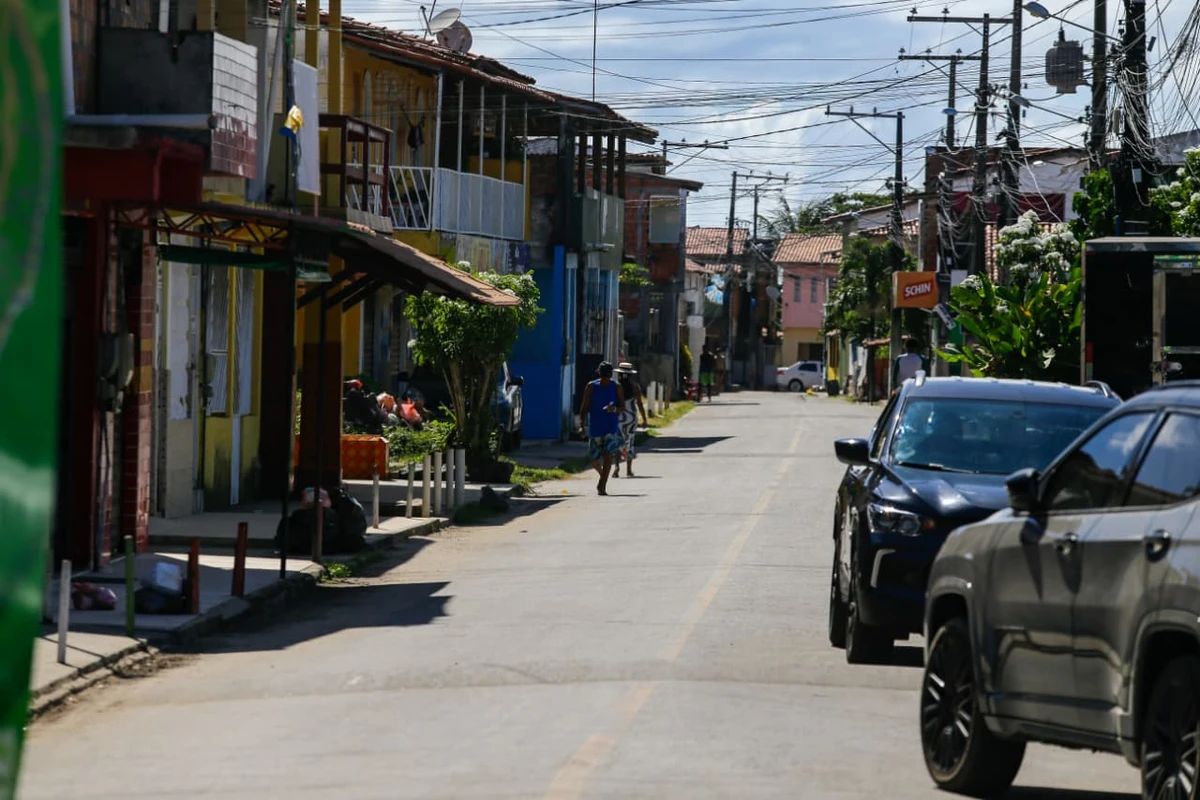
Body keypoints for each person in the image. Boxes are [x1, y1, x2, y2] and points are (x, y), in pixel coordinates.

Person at [578, 362, 625, 495]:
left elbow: (622, 407)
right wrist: (581, 425)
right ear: (599, 374)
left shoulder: (616, 387)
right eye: (604, 376)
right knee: (594, 459)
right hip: (595, 427)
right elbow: (584, 407)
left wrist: (614, 409)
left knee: (608, 456)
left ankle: (602, 485)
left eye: (608, 377)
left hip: (610, 427)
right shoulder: (591, 386)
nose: (606, 379)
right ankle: (603, 475)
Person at [612, 362, 649, 478]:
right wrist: (644, 419)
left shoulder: (616, 387)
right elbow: (640, 404)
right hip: (631, 418)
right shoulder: (635, 387)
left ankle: (617, 467)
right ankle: (628, 470)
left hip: (619, 417)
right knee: (630, 442)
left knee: (618, 442)